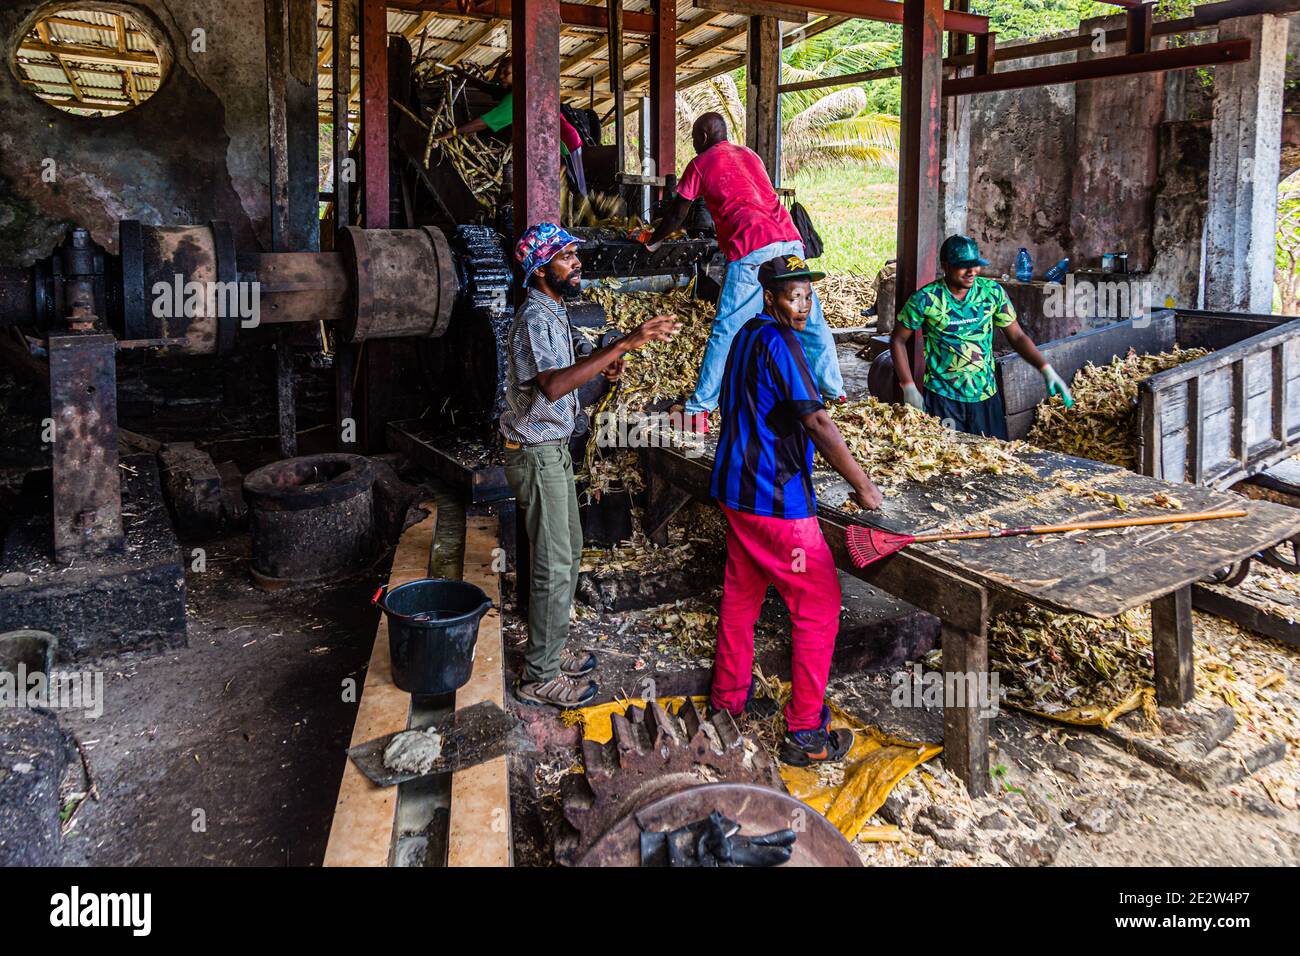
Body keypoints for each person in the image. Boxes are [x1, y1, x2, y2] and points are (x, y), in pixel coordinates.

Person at [709, 254, 883, 766]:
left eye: (808, 295)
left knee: (742, 597)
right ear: (769, 297)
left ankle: (728, 708)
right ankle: (805, 733)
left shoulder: (744, 338)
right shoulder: (781, 344)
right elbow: (819, 423)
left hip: (734, 490)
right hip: (775, 500)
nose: (802, 305)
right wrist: (864, 487)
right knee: (820, 604)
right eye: (792, 295)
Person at [503, 223, 679, 708]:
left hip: (553, 449)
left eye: (575, 255)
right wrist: (619, 346)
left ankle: (550, 652)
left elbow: (572, 392)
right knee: (554, 562)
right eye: (564, 257)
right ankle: (539, 675)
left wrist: (606, 373)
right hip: (535, 455)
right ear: (540, 270)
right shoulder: (535, 319)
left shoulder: (555, 312)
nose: (576, 262)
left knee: (568, 551)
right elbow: (553, 387)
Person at [644, 113, 844, 429]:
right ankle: (834, 392)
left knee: (727, 330)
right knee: (811, 319)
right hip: (789, 242)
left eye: (695, 139)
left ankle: (698, 412)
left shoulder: (700, 163)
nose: (694, 145)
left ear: (704, 136)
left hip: (752, 248)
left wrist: (651, 242)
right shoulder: (749, 154)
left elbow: (677, 215)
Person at [890, 235, 1073, 439]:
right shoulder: (926, 299)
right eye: (963, 266)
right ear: (946, 266)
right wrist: (908, 386)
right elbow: (897, 340)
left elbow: (1017, 337)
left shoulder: (992, 292)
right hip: (943, 398)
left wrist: (1045, 369)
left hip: (985, 396)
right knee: (948, 461)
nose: (972, 272)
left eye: (975, 265)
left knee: (994, 457)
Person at [432, 57, 587, 195]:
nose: (500, 76)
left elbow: (483, 123)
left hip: (565, 143)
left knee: (573, 190)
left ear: (518, 74)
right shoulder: (521, 89)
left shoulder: (518, 98)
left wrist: (450, 133)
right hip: (561, 141)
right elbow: (490, 88)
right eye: (501, 72)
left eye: (506, 73)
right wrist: (463, 75)